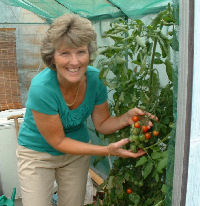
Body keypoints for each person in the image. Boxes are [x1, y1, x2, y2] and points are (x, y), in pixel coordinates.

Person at [16, 13, 153, 206]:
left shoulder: (95, 80)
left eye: (80, 52)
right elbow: (58, 141)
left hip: (76, 153)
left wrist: (125, 118)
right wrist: (107, 150)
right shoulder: (42, 88)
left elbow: (103, 124)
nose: (75, 62)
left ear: (89, 53)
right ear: (52, 57)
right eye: (65, 53)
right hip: (38, 154)